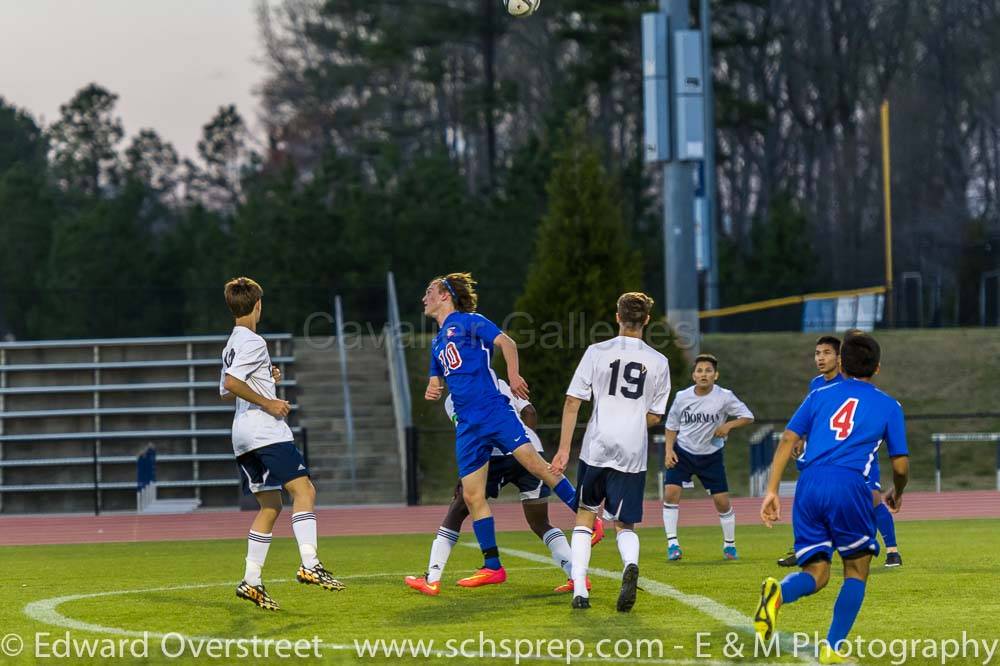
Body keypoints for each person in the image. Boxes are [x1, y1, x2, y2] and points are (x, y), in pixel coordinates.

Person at [753, 332, 909, 664]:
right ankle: (832, 647)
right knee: (856, 569)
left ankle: (779, 592)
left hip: (808, 485)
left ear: (842, 362)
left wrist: (770, 492)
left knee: (817, 572)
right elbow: (900, 464)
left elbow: (787, 441)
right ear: (877, 368)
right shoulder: (888, 405)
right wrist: (898, 489)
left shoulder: (818, 395)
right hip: (849, 485)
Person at [423, 272, 587, 588]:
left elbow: (506, 342)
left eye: (429, 291)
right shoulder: (437, 341)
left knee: (537, 467)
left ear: (445, 294)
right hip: (470, 426)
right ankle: (492, 565)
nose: (423, 298)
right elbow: (436, 379)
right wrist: (432, 387)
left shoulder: (469, 321)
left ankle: (587, 518)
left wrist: (513, 376)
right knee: (471, 497)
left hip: (492, 411)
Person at [405, 377, 598, 596]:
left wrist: (467, 475)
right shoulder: (498, 382)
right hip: (529, 449)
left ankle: (433, 577)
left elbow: (473, 437)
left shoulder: (453, 400)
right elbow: (530, 412)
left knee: (458, 509)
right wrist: (523, 440)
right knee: (540, 521)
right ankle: (578, 574)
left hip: (494, 457)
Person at [220, 277, 344, 611]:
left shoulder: (232, 342)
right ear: (258, 305)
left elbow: (228, 387)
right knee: (305, 492)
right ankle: (310, 563)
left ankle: (251, 581)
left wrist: (265, 379)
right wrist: (269, 402)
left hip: (242, 436)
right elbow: (232, 382)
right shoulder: (254, 341)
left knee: (270, 506)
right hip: (264, 431)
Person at [551, 292, 671, 611]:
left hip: (597, 445)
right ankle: (629, 564)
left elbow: (572, 401)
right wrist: (631, 424)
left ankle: (580, 591)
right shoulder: (660, 362)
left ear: (617, 316)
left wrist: (563, 450)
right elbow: (657, 414)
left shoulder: (596, 352)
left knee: (585, 517)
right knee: (624, 524)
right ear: (646, 320)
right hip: (632, 450)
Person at [777, 334, 902, 568]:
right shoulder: (816, 385)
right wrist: (803, 437)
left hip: (856, 459)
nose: (821, 358)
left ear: (840, 358)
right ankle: (806, 548)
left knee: (873, 500)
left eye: (827, 353)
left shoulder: (851, 384)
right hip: (825, 459)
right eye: (817, 353)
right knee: (820, 500)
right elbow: (818, 419)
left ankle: (892, 550)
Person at [661, 354, 754, 561]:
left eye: (708, 370)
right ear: (694, 375)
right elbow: (671, 425)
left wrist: (728, 425)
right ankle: (672, 545)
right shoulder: (682, 397)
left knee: (722, 502)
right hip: (683, 452)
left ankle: (729, 546)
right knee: (670, 493)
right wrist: (669, 450)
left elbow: (748, 416)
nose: (704, 374)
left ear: (716, 375)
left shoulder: (725, 396)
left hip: (711, 456)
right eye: (700, 370)